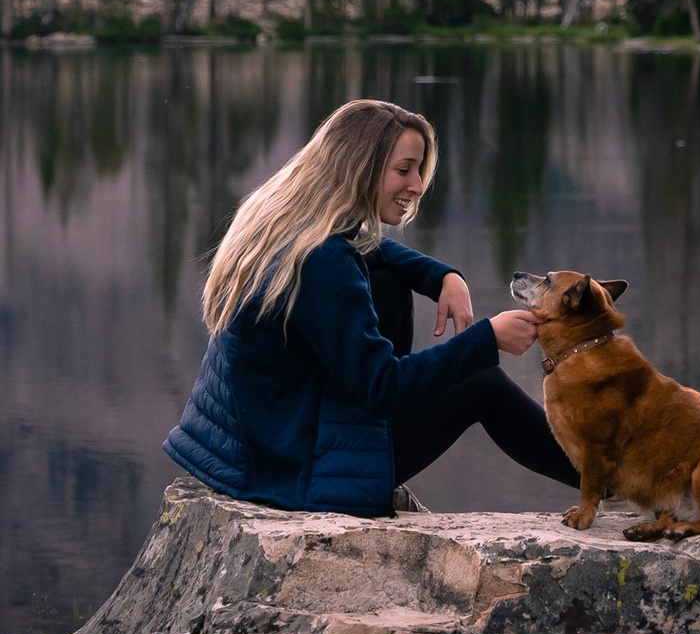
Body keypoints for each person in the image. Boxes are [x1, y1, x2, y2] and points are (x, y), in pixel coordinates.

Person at [164, 99, 580, 516]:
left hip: (253, 444)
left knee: (386, 277)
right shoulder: (324, 261)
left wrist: (440, 276)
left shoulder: (282, 218)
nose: (417, 186)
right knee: (482, 383)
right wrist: (485, 338)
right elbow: (381, 389)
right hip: (293, 468)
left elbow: (372, 248)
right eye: (404, 170)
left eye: (418, 171)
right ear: (358, 167)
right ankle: (603, 477)